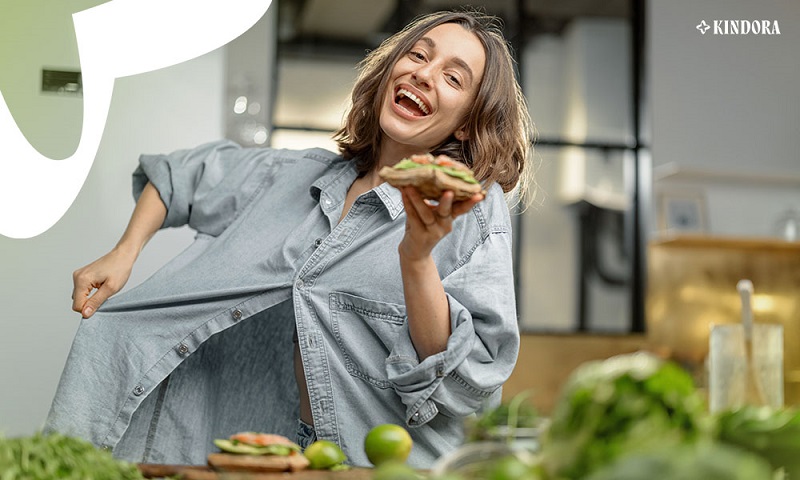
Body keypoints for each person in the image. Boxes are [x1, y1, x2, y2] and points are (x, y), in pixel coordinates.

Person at [44, 9, 534, 468]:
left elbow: (461, 377)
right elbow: (180, 176)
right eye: (418, 55)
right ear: (391, 72)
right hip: (260, 453)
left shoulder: (470, 210)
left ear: (469, 122)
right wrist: (124, 253)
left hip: (370, 465)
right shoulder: (293, 175)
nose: (424, 74)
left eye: (453, 77)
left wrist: (416, 257)